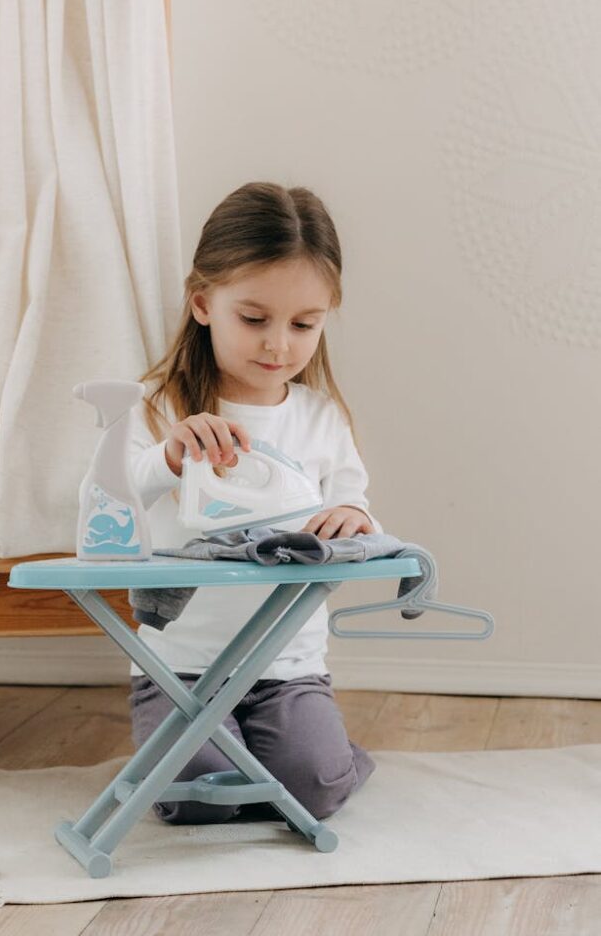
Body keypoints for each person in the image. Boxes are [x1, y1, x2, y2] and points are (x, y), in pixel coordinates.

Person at [128, 181, 382, 825]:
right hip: (180, 669)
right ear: (203, 302)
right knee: (197, 796)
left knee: (315, 788)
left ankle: (320, 757)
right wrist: (169, 457)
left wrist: (354, 518)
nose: (278, 345)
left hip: (287, 668)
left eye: (304, 325)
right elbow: (111, 502)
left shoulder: (321, 418)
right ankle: (218, 760)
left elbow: (354, 507)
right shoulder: (157, 408)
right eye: (253, 319)